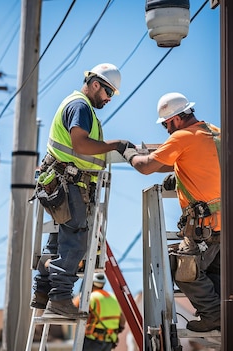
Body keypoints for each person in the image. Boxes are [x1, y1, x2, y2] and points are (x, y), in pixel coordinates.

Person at [30, 63, 135, 318]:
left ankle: (42, 292)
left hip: (61, 182)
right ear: (96, 84)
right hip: (70, 184)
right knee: (75, 241)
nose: (109, 99)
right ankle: (61, 299)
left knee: (57, 243)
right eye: (108, 92)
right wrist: (117, 144)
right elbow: (81, 145)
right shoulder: (80, 106)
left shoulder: (78, 105)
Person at [119, 92, 221, 332]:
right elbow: (201, 165)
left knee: (182, 268)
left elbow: (146, 167)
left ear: (175, 119)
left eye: (166, 124)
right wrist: (178, 176)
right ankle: (224, 313)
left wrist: (128, 152)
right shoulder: (214, 131)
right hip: (231, 225)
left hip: (204, 227)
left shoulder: (182, 137)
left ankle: (215, 315)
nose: (166, 129)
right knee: (213, 271)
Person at [73, 273, 126, 350]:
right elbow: (122, 321)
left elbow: (71, 307)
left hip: (92, 340)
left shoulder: (88, 297)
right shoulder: (113, 297)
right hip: (109, 340)